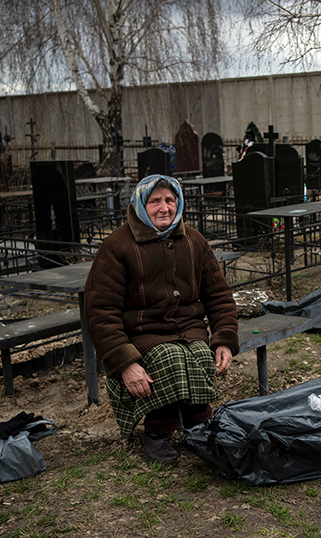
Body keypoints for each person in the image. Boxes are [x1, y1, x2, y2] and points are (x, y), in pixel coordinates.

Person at [84, 174, 239, 465]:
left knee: (197, 353)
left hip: (188, 329)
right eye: (155, 201)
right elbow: (100, 311)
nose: (164, 208)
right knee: (168, 356)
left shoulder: (194, 241)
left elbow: (219, 295)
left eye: (170, 200)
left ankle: (200, 427)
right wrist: (125, 362)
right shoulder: (118, 247)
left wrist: (225, 340)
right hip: (142, 334)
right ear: (141, 205)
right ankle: (158, 433)